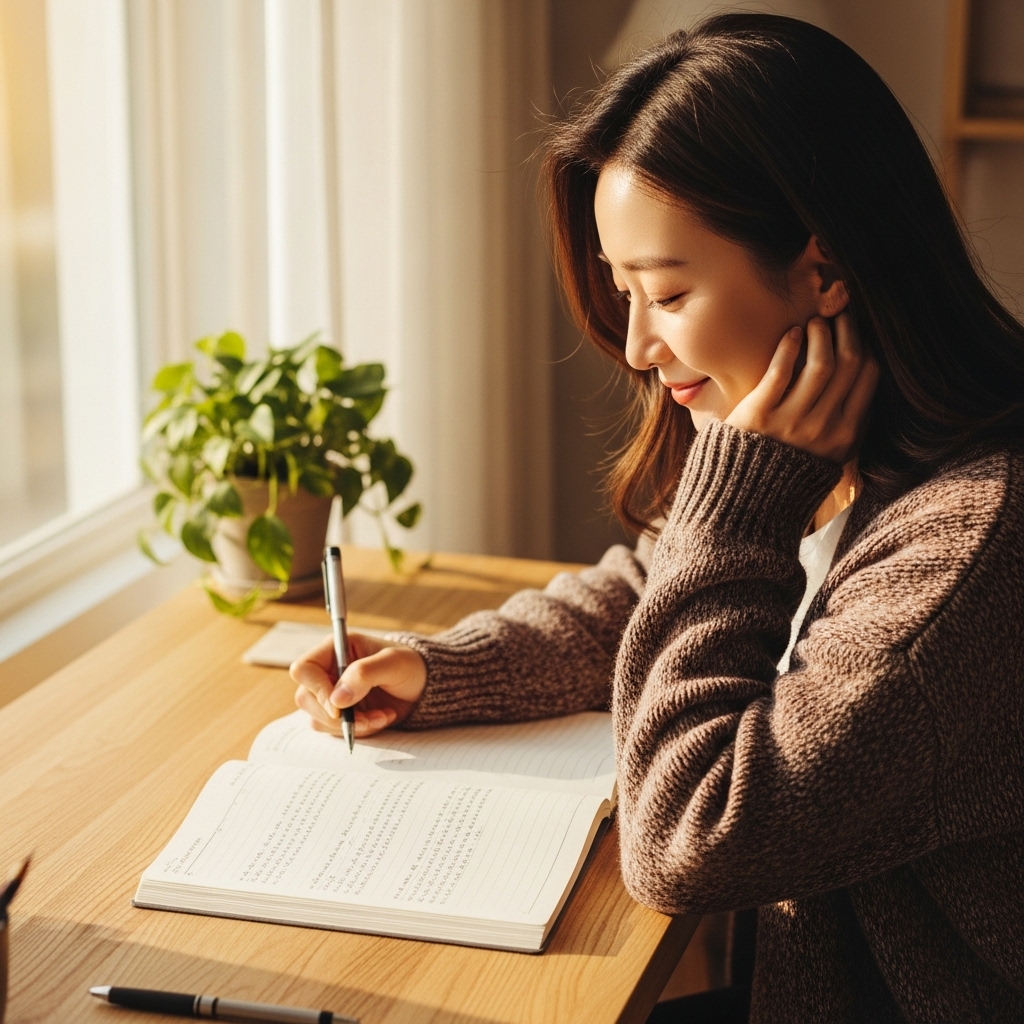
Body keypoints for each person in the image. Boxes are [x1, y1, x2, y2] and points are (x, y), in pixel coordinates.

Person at [291, 14, 1024, 1023]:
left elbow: (690, 836)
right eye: (621, 287)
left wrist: (742, 506)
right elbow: (660, 585)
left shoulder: (971, 549)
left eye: (667, 292)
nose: (635, 342)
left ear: (822, 269)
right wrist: (447, 668)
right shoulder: (843, 447)